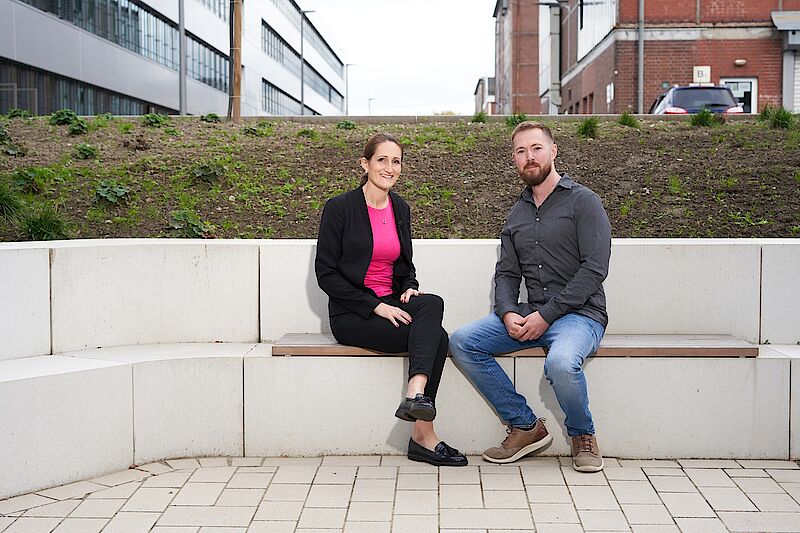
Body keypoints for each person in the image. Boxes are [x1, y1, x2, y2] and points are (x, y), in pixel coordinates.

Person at [449, 121, 611, 472]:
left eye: (537, 148)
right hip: (531, 312)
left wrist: (546, 316)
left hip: (580, 316)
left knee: (560, 363)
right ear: (514, 159)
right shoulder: (517, 213)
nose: (530, 157)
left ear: (553, 151)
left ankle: (583, 435)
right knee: (463, 341)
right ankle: (525, 426)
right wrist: (508, 313)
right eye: (521, 151)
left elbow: (595, 269)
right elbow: (507, 274)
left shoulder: (584, 202)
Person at [315, 132, 467, 467]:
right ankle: (423, 437)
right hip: (354, 314)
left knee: (432, 303)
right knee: (438, 338)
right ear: (365, 163)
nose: (389, 167)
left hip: (391, 302)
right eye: (381, 160)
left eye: (395, 161)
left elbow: (405, 266)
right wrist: (376, 306)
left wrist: (409, 286)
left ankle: (415, 394)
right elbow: (326, 274)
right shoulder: (340, 208)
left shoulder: (400, 208)